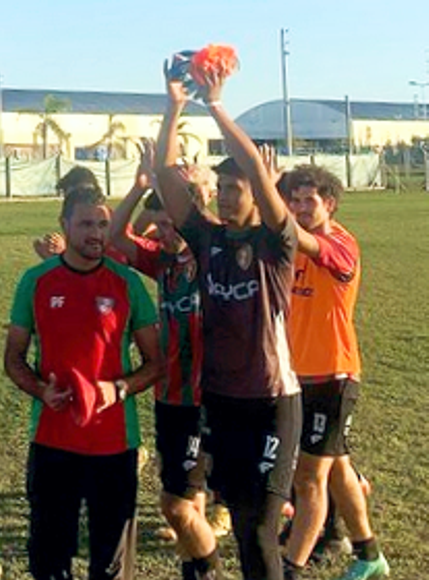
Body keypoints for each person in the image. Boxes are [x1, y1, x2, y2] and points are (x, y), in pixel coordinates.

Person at [154, 65, 301, 580]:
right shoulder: (209, 239)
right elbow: (164, 175)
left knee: (260, 529)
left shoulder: (275, 244)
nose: (224, 194)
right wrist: (174, 107)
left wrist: (215, 105)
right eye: (220, 187)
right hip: (222, 402)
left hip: (271, 403)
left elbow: (261, 180)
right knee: (240, 521)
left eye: (234, 187)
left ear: (259, 195)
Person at [5, 182, 164, 580]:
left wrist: (119, 389)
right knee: (48, 559)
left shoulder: (127, 284)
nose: (96, 233)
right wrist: (42, 390)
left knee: (108, 563)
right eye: (86, 224)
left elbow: (156, 361)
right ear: (65, 224)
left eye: (103, 224)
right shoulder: (36, 281)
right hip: (52, 440)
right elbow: (13, 358)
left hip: (114, 442)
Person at [108, 141, 222, 580]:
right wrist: (139, 187)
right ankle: (194, 568)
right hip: (169, 393)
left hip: (204, 395)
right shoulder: (163, 264)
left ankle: (206, 569)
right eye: (160, 226)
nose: (166, 232)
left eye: (172, 223)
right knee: (185, 502)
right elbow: (118, 236)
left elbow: (213, 224)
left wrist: (190, 192)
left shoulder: (210, 258)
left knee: (176, 502)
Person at [281, 165, 389, 580]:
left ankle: (289, 568)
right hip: (297, 376)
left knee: (309, 478)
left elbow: (305, 241)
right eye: (295, 199)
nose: (301, 207)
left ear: (330, 204)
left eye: (310, 200)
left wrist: (280, 216)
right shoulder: (291, 244)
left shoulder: (342, 244)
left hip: (334, 376)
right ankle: (369, 555)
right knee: (338, 468)